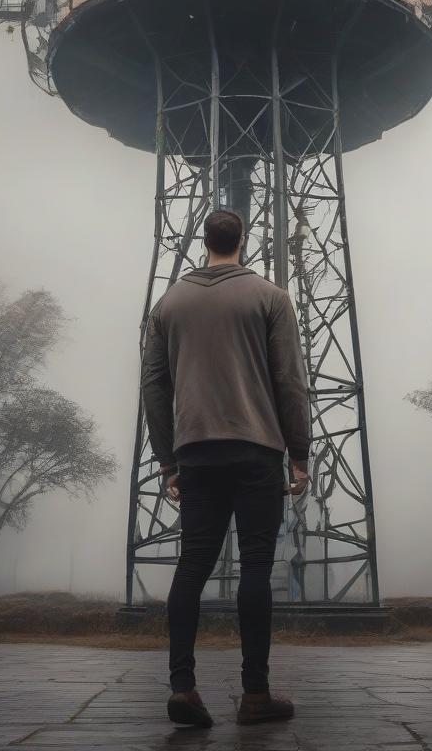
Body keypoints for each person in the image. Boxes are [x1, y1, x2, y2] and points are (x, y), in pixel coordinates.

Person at [140, 208, 311, 728]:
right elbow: (289, 382)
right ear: (243, 239)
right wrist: (299, 453)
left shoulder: (168, 303)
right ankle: (255, 695)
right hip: (257, 450)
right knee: (256, 568)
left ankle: (184, 688)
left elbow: (153, 387)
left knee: (192, 566)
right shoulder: (270, 297)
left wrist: (168, 458)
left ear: (204, 241)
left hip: (195, 452)